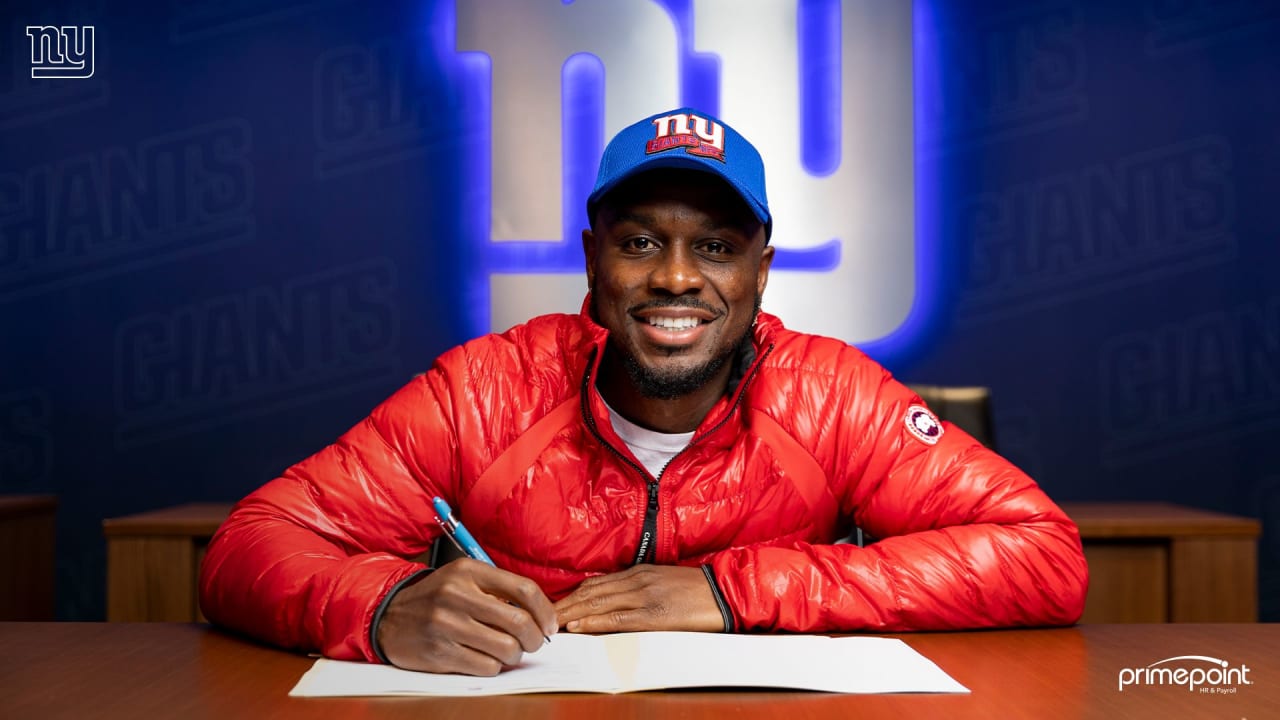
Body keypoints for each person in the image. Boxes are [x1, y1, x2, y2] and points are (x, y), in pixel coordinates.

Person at [199, 107, 1088, 676]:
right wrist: (384, 607)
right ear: (592, 255)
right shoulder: (485, 388)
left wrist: (736, 590)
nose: (674, 278)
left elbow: (1044, 554)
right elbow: (249, 546)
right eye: (638, 244)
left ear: (761, 271)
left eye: (714, 246)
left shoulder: (832, 394)